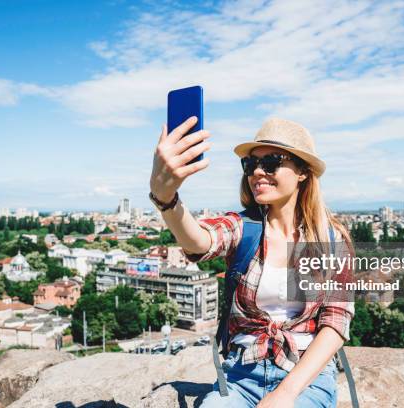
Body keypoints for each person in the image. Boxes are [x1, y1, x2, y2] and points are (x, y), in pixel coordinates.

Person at [149, 116, 355, 408]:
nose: (258, 171)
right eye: (250, 164)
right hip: (242, 373)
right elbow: (199, 240)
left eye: (271, 162)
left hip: (305, 377)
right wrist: (166, 197)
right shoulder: (244, 227)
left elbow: (335, 323)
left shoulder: (332, 239)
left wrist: (285, 395)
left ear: (302, 173)